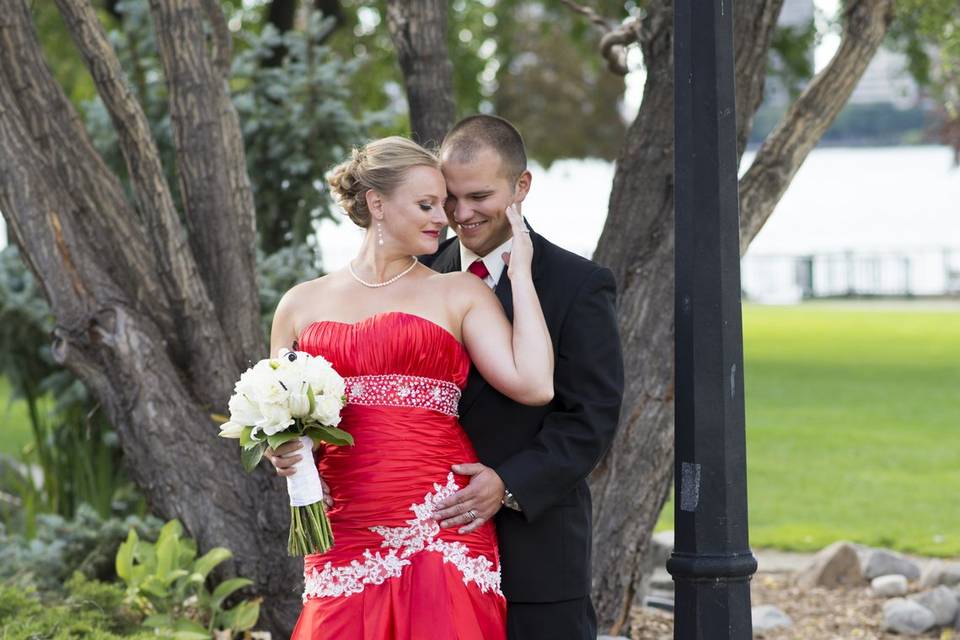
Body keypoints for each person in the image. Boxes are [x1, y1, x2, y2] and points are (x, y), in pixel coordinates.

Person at [266, 135, 554, 640]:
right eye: (426, 205)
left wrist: (522, 272)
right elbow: (281, 423)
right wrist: (285, 451)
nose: (443, 218)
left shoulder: (458, 291)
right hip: (345, 518)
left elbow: (534, 384)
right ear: (376, 203)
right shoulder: (300, 303)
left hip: (439, 515)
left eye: (442, 205)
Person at [422, 115, 624, 640]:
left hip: (534, 551)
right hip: (428, 544)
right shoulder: (419, 278)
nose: (462, 214)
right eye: (450, 198)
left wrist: (509, 485)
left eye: (480, 197)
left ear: (521, 187)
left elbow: (590, 420)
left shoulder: (579, 284)